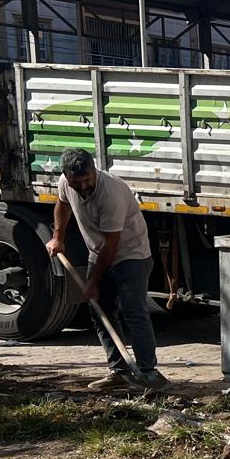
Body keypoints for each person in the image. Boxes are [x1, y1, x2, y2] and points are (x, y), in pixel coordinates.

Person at [46, 148, 167, 391]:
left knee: (134, 310)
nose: (82, 187)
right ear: (67, 177)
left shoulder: (110, 193)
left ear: (94, 170)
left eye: (86, 180)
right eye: (76, 182)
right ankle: (119, 372)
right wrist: (58, 237)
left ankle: (148, 372)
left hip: (131, 255)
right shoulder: (65, 182)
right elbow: (62, 204)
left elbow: (111, 247)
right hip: (98, 252)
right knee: (100, 311)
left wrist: (92, 283)